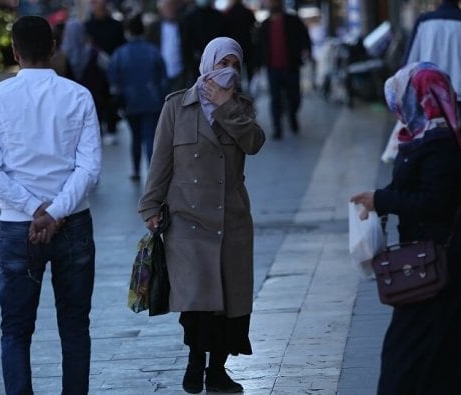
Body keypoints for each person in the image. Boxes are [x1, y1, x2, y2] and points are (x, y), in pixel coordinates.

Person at [350, 62, 461, 394]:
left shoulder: (438, 143)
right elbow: (412, 192)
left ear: (420, 96)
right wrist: (380, 203)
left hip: (442, 263)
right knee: (458, 351)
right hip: (431, 260)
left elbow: (434, 203)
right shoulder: (419, 136)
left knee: (407, 354)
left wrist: (381, 200)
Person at [0, 16, 101, 394]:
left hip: (17, 225)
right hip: (72, 222)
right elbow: (89, 167)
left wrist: (33, 209)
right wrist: (56, 211)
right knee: (75, 324)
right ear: (53, 48)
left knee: (15, 328)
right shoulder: (78, 95)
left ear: (14, 51)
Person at [137, 37, 265, 393]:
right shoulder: (177, 106)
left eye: (235, 66)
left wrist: (226, 107)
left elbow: (254, 143)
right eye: (222, 63)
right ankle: (195, 363)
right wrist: (150, 206)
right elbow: (160, 160)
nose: (228, 72)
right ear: (207, 63)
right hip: (187, 221)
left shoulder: (241, 108)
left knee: (228, 303)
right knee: (196, 301)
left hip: (231, 221)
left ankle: (218, 370)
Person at [403, 0, 461, 217]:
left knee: (430, 161)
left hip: (429, 104)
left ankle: (436, 219)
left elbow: (408, 63)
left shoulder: (423, 22)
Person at [108, 15, 169, 181]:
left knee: (135, 137)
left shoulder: (120, 53)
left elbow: (113, 78)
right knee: (150, 136)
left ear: (127, 31)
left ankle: (135, 170)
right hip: (153, 101)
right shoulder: (153, 51)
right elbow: (163, 77)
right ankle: (152, 172)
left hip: (130, 102)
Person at [255, 0, 311, 139]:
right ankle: (277, 128)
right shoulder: (265, 25)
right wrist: (258, 65)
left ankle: (292, 117)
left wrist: (306, 50)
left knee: (294, 96)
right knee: (275, 99)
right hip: (273, 68)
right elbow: (259, 47)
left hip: (291, 67)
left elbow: (304, 37)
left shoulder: (293, 21)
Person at [85, 0, 126, 145]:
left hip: (112, 69)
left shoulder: (116, 25)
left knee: (111, 99)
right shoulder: (87, 27)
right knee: (96, 99)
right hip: (93, 71)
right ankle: (99, 129)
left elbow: (122, 46)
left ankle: (111, 127)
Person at [146, 0, 196, 91]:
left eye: (173, 6)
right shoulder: (153, 28)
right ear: (161, 10)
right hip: (160, 74)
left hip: (180, 73)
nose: (171, 10)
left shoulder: (183, 26)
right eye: (168, 7)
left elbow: (189, 49)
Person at [184, 0, 227, 71]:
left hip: (216, 62)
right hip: (197, 64)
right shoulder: (189, 18)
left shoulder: (218, 16)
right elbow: (187, 43)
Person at [223, 0, 256, 87]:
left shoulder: (227, 13)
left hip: (233, 47)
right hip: (248, 46)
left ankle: (238, 90)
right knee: (249, 71)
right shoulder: (248, 12)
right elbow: (254, 29)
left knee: (236, 70)